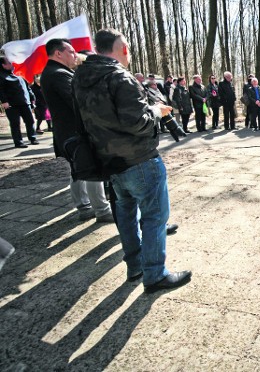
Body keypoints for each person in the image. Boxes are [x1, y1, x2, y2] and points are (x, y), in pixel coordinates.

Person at [73, 28, 191, 293]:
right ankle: (155, 274)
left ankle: (135, 265)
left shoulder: (80, 77)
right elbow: (137, 122)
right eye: (127, 47)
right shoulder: (120, 78)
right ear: (122, 48)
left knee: (125, 215)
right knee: (154, 216)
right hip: (139, 159)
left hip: (109, 161)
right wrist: (156, 111)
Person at [40, 39, 114, 223]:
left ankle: (84, 206)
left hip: (66, 133)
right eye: (71, 51)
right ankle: (102, 210)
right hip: (74, 132)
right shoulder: (58, 74)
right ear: (58, 53)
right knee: (91, 168)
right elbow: (78, 102)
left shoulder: (53, 72)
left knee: (78, 170)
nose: (75, 55)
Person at [0, 55, 38, 148]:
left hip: (25, 101)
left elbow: (26, 87)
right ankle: (18, 142)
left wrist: (32, 97)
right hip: (12, 104)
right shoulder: (1, 76)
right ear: (3, 65)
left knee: (30, 121)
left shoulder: (18, 72)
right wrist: (4, 101)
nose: (12, 64)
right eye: (9, 63)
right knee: (15, 123)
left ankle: (32, 138)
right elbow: (0, 90)